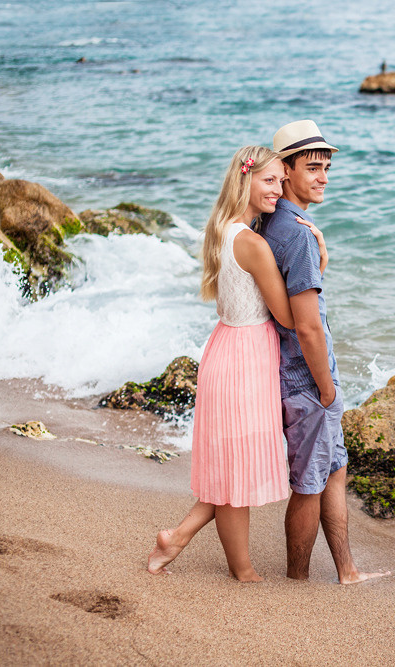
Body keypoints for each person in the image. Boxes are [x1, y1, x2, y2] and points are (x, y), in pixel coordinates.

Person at [147, 146, 296, 582]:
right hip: (246, 357)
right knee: (236, 470)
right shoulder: (252, 243)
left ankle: (176, 539)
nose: (278, 189)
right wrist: (318, 260)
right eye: (269, 180)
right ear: (245, 179)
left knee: (233, 466)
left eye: (281, 181)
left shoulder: (223, 229)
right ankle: (240, 570)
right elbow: (287, 316)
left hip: (226, 347)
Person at [259, 119, 389, 584]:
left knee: (335, 469)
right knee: (310, 484)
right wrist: (327, 388)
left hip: (298, 372)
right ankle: (297, 580)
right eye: (313, 167)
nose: (323, 178)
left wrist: (321, 256)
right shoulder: (295, 233)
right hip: (307, 377)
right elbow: (308, 325)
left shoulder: (274, 222)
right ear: (286, 170)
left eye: (327, 168)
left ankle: (347, 570)